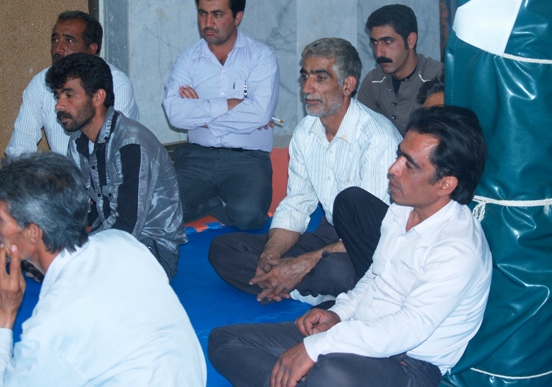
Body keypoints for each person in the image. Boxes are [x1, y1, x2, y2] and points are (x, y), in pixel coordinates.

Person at [209, 105, 492, 387]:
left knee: (329, 374)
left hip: (408, 362)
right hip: (358, 328)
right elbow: (374, 277)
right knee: (225, 340)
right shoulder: (402, 209)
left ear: (445, 184)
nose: (393, 169)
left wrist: (316, 347)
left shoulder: (458, 249)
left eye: (410, 164)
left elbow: (407, 329)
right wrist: (339, 313)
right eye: (399, 155)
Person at [0, 152, 206, 386]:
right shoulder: (122, 242)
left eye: (0, 218)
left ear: (33, 233)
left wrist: (3, 314)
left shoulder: (54, 324)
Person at [209, 38, 402, 305]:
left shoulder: (377, 138)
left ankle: (290, 284)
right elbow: (297, 204)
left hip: (374, 242)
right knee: (223, 249)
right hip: (330, 233)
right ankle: (288, 284)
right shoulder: (306, 130)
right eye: (305, 77)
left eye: (320, 78)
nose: (307, 89)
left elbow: (375, 232)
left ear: (347, 85)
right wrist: (270, 256)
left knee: (338, 271)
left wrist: (303, 263)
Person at [45, 53, 186, 279]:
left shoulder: (131, 144)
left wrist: (69, 255)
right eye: (58, 95)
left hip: (150, 250)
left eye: (69, 95)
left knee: (70, 272)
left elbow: (127, 226)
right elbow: (77, 206)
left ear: (98, 97)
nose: (59, 105)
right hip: (110, 238)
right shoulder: (78, 143)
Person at [163, 0, 279, 231]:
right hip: (196, 157)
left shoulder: (261, 57)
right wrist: (229, 104)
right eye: (202, 13)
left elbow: (260, 114)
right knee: (162, 213)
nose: (208, 23)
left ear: (237, 17)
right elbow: (175, 114)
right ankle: (216, 201)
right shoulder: (187, 59)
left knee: (249, 217)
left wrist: (200, 114)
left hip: (247, 158)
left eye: (217, 14)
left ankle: (219, 199)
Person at [6, 11, 139, 158]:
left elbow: (113, 152)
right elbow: (19, 150)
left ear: (91, 49)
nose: (58, 48)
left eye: (69, 41)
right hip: (62, 172)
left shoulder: (117, 85)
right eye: (55, 40)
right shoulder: (41, 83)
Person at [358, 4, 443, 135]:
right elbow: (363, 133)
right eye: (375, 42)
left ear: (410, 40)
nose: (379, 53)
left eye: (387, 42)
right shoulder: (373, 81)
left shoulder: (439, 77)